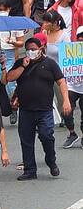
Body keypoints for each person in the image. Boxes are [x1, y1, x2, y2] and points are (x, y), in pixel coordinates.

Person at [6, 35, 69, 180]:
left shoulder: (50, 64)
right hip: (26, 110)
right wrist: (23, 65)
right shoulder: (20, 63)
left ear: (40, 49)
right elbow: (10, 78)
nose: (30, 52)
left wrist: (65, 100)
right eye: (28, 50)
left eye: (33, 49)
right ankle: (29, 170)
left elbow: (61, 81)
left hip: (44, 109)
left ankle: (51, 161)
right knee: (26, 140)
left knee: (46, 135)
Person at [39, 10, 81, 149]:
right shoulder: (44, 34)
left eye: (47, 22)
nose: (44, 24)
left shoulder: (64, 36)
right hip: (46, 73)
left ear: (55, 23)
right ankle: (70, 133)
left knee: (65, 104)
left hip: (62, 75)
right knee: (48, 100)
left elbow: (71, 56)